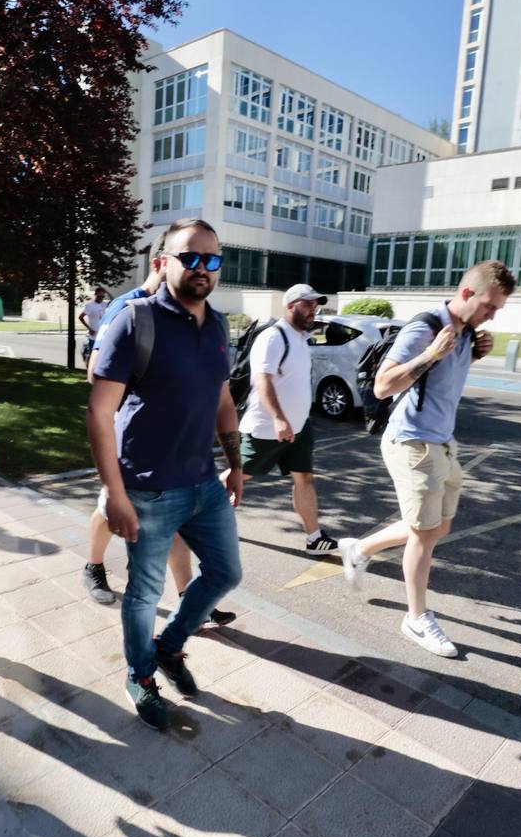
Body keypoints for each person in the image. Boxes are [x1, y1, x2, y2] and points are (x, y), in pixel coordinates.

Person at [88, 217, 243, 731]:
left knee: (226, 573)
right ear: (162, 263)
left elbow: (222, 397)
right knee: (143, 593)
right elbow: (98, 413)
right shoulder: (135, 321)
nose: (202, 268)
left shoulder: (219, 326)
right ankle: (140, 675)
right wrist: (114, 494)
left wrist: (236, 463)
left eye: (212, 259)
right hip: (148, 488)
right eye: (190, 257)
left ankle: (170, 647)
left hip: (204, 482)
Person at [337, 261, 515, 658]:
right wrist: (430, 355)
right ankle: (416, 618)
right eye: (489, 306)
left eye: (497, 310)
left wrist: (475, 353)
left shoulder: (467, 333)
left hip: (443, 443)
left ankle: (361, 550)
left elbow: (445, 380)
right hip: (412, 443)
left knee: (438, 527)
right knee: (422, 534)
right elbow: (383, 386)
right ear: (467, 293)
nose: (493, 316)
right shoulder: (424, 329)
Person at [229, 283, 339, 556]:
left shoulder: (301, 337)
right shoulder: (274, 337)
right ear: (290, 306)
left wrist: (294, 420)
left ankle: (314, 537)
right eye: (307, 304)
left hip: (299, 427)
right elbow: (262, 380)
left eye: (316, 305)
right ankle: (193, 513)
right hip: (268, 428)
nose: (313, 309)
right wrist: (279, 419)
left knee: (304, 478)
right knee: (240, 475)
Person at [79, 287, 108, 365]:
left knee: (101, 356)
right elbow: (80, 317)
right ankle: (88, 370)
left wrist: (107, 291)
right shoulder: (90, 306)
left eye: (102, 296)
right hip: (94, 336)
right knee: (92, 356)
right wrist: (89, 329)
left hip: (103, 336)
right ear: (95, 295)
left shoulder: (104, 304)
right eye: (99, 296)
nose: (101, 298)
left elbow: (115, 301)